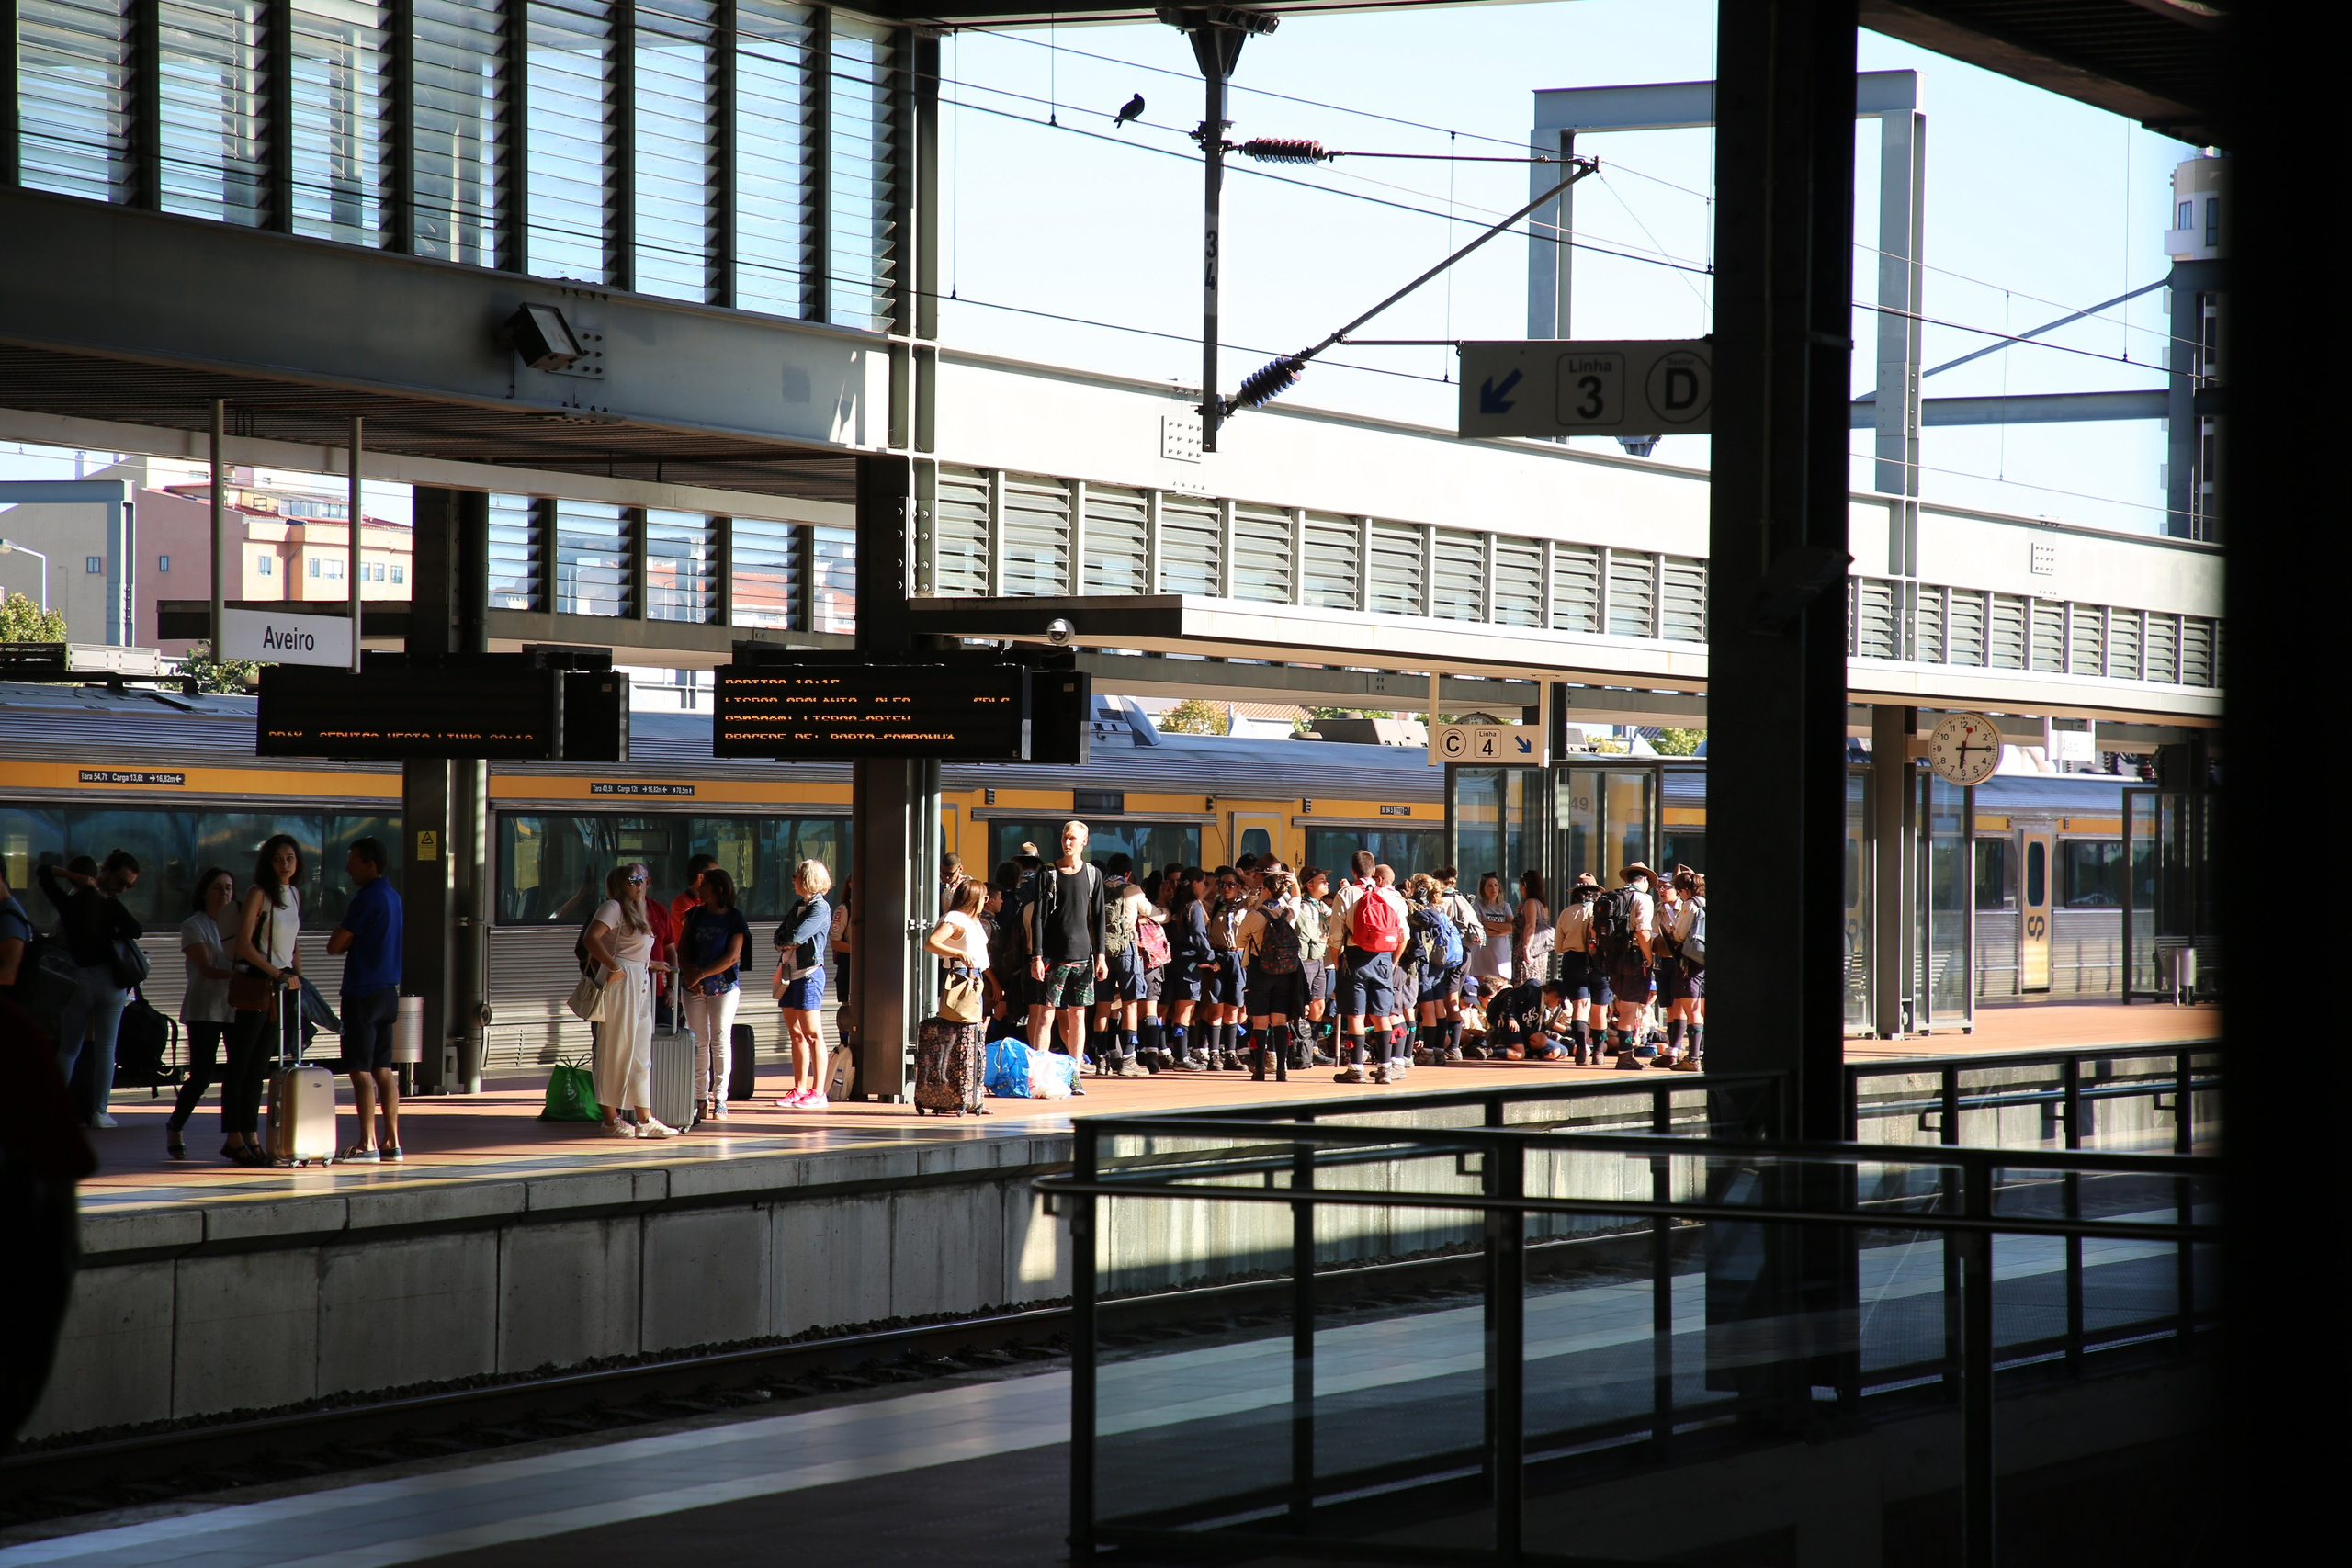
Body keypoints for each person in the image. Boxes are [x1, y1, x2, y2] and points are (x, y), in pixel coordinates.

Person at [38, 851, 142, 1128]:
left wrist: (78, 879)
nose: (123, 889)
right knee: (106, 1049)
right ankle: (99, 1112)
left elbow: (43, 872)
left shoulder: (68, 904)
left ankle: (54, 1109)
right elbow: (136, 930)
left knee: (68, 1049)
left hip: (79, 982)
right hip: (110, 983)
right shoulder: (110, 905)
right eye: (122, 882)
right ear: (103, 873)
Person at [222, 836, 302, 1165]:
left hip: (280, 988)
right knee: (240, 1064)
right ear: (268, 862)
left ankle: (251, 1135)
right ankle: (234, 1137)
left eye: (290, 858)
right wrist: (276, 973)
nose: (285, 864)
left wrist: (297, 977)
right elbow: (244, 944)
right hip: (257, 984)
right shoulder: (260, 893)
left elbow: (293, 944)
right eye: (278, 859)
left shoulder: (294, 894)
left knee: (258, 1067)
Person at [326, 839, 404, 1161]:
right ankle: (392, 1141)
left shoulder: (366, 899)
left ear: (371, 865)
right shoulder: (393, 897)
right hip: (388, 993)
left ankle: (367, 1142)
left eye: (353, 862)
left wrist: (344, 938)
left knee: (359, 1070)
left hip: (362, 993)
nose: (348, 868)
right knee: (383, 1069)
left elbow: (335, 945)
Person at [586, 863, 673, 1136]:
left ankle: (645, 1119)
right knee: (615, 1048)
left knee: (640, 1053)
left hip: (641, 979)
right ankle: (610, 1120)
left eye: (642, 880)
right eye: (633, 880)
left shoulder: (638, 909)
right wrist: (614, 966)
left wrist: (651, 964)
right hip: (621, 981)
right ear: (620, 884)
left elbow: (634, 950)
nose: (639, 884)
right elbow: (591, 938)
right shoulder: (612, 907)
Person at [162, 866, 236, 1158]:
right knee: (202, 1074)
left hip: (237, 1006)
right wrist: (242, 976)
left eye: (228, 888)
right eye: (217, 887)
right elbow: (206, 968)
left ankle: (236, 1136)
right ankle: (176, 1125)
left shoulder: (241, 924)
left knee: (238, 1072)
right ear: (204, 893)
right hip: (204, 1007)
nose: (224, 893)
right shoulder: (194, 925)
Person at [1026, 821, 1107, 1073]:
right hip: (1052, 955)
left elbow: (1099, 917)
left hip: (1083, 955)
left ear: (1084, 841)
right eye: (1064, 838)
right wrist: (1037, 956)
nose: (1067, 842)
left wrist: (1101, 956)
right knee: (1046, 1014)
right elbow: (1038, 917)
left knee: (1078, 1014)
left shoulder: (1092, 874)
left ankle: (1075, 1071)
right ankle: (1039, 1073)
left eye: (1072, 838)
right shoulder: (1048, 873)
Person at [1328, 851, 1408, 1084]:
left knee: (1356, 1014)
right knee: (1381, 1014)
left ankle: (1356, 1068)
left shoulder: (1346, 894)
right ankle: (1385, 1068)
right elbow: (1403, 935)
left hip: (1354, 958)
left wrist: (1338, 962)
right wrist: (1392, 962)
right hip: (1383, 958)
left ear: (1353, 871)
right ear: (1374, 871)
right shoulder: (1391, 896)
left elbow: (1335, 937)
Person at [677, 866, 751, 1119]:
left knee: (720, 1039)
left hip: (723, 987)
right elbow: (682, 949)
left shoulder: (735, 918)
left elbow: (732, 957)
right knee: (698, 1041)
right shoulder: (695, 914)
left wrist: (699, 974)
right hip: (693, 987)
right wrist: (690, 975)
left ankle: (720, 1097)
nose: (699, 890)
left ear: (719, 889)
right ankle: (700, 1097)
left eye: (705, 885)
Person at [918, 877, 992, 1111]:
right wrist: (958, 954)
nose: (987, 901)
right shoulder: (956, 919)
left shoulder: (972, 920)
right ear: (974, 899)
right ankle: (960, 1094)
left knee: (972, 1037)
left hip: (974, 977)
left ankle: (971, 1095)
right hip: (962, 978)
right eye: (984, 897)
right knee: (964, 1035)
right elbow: (931, 942)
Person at [773, 861, 834, 1108]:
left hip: (809, 975)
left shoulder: (820, 907)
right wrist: (787, 941)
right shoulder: (798, 906)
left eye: (796, 875)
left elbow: (796, 935)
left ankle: (819, 1093)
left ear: (807, 879)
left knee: (812, 1034)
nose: (793, 879)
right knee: (796, 1034)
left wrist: (787, 940)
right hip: (790, 974)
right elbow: (779, 936)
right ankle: (799, 1088)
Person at [1238, 867, 1305, 1081]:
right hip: (1286, 971)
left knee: (1260, 1022)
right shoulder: (1289, 913)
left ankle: (1259, 1069)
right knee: (1280, 1021)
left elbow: (1239, 942)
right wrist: (1294, 881)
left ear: (1266, 890)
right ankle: (1281, 1070)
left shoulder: (1254, 916)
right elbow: (1297, 898)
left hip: (1260, 970)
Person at [1094, 853, 1158, 1078]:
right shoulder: (1133, 889)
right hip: (1126, 950)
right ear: (1128, 873)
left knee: (1103, 1007)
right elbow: (1151, 912)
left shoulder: (1098, 889)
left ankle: (1101, 1058)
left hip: (1102, 952)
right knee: (1130, 1004)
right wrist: (1168, 914)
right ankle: (1128, 1059)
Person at [1599, 863, 1661, 1069]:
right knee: (1629, 1010)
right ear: (1644, 879)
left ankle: (1625, 1055)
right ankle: (1625, 1056)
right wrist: (1649, 958)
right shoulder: (1643, 899)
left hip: (1613, 959)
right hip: (1634, 958)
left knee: (1623, 1006)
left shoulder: (1612, 897)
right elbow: (1643, 932)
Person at [1406, 874, 1466, 1065]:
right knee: (1439, 1006)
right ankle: (1439, 1050)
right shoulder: (1439, 910)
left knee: (1427, 1008)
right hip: (1440, 963)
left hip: (1426, 964)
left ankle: (1428, 1051)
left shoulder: (1420, 910)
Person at [1551, 877, 1611, 1064]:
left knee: (1580, 1007)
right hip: (1600, 961)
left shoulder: (1566, 913)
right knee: (1600, 1009)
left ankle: (1581, 1050)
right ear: (1596, 892)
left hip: (1574, 961)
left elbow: (1558, 948)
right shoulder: (1602, 911)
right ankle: (1599, 1052)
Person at [1161, 867, 1215, 1071]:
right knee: (1185, 1011)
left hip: (1171, 962)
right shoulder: (1194, 906)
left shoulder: (1174, 904)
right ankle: (1182, 1057)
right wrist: (1210, 958)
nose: (1204, 886)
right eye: (1203, 883)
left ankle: (1174, 1053)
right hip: (1189, 964)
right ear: (1194, 883)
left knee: (1172, 1010)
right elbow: (1199, 935)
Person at [1204, 866, 1250, 1069]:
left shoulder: (1245, 904)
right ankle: (1214, 1053)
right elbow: (1197, 902)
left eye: (1231, 884)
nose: (1226, 888)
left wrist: (1244, 876)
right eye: (1223, 884)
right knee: (1216, 1007)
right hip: (1218, 956)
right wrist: (1212, 886)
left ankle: (1230, 1053)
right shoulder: (1214, 904)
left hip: (1238, 956)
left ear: (1239, 886)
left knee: (1233, 1007)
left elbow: (1257, 889)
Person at [1662, 867, 1706, 1071]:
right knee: (1702, 1008)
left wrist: (1673, 932)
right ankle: (1704, 1054)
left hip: (1690, 961)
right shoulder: (1707, 903)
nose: (1679, 895)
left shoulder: (1691, 905)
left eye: (1679, 892)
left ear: (1685, 890)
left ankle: (1693, 1058)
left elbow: (1680, 934)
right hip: (1704, 961)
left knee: (1692, 1009)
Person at [1295, 867, 1334, 1066]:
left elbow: (1335, 917)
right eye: (1322, 880)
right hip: (1306, 960)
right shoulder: (1303, 906)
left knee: (1319, 1005)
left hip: (1319, 960)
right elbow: (1309, 934)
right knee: (1304, 1004)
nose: (1327, 883)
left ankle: (1313, 1047)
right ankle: (1300, 1047)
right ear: (1309, 885)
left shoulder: (1319, 905)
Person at [1469, 873, 1515, 997]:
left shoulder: (1505, 906)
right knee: (1483, 988)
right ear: (1483, 889)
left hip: (1501, 955)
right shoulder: (1478, 905)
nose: (1493, 889)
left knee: (1501, 988)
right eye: (1489, 886)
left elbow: (1512, 927)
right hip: (1483, 954)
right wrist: (1501, 929)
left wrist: (1488, 924)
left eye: (1495, 885)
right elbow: (1480, 929)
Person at [1514, 871, 1553, 990]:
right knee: (1537, 984)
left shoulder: (1530, 902)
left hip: (1530, 950)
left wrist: (1526, 949)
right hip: (1539, 950)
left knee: (1526, 985)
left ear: (1524, 887)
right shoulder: (1542, 904)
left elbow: (1530, 926)